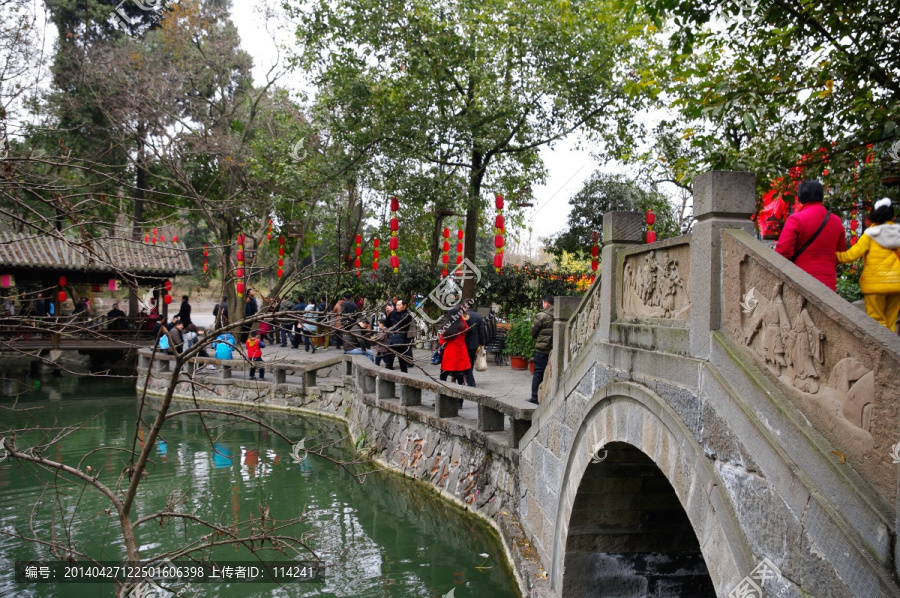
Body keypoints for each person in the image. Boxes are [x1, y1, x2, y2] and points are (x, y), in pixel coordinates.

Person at [836, 197, 900, 331]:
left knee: (877, 323)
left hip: (875, 285)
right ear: (892, 217)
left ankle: (881, 351)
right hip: (897, 284)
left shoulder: (870, 235)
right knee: (891, 322)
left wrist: (835, 256)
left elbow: (851, 255)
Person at [775, 180, 846, 291]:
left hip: (802, 281)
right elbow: (841, 253)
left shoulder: (796, 219)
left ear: (799, 198)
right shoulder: (836, 221)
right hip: (828, 284)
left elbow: (783, 252)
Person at [530, 295, 554, 404]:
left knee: (538, 373)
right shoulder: (559, 314)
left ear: (547, 303)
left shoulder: (542, 316)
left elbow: (533, 331)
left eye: (543, 302)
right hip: (553, 349)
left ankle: (535, 397)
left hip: (542, 349)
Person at [439, 306, 470, 385]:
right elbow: (467, 327)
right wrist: (460, 317)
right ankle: (460, 396)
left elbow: (442, 341)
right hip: (461, 351)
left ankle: (443, 395)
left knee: (443, 376)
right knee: (460, 376)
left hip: (450, 352)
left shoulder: (446, 327)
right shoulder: (463, 326)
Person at [383, 298, 415, 373]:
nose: (397, 306)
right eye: (396, 305)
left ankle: (405, 382)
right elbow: (388, 325)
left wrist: (392, 312)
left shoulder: (407, 315)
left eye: (399, 305)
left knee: (403, 365)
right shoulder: (394, 314)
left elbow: (402, 321)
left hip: (401, 342)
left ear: (404, 306)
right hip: (391, 341)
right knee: (388, 365)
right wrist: (388, 315)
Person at [462, 305, 486, 387]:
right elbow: (481, 331)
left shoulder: (462, 316)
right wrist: (482, 342)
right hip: (474, 343)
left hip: (464, 342)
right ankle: (469, 377)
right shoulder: (478, 316)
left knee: (465, 361)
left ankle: (468, 379)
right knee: (471, 361)